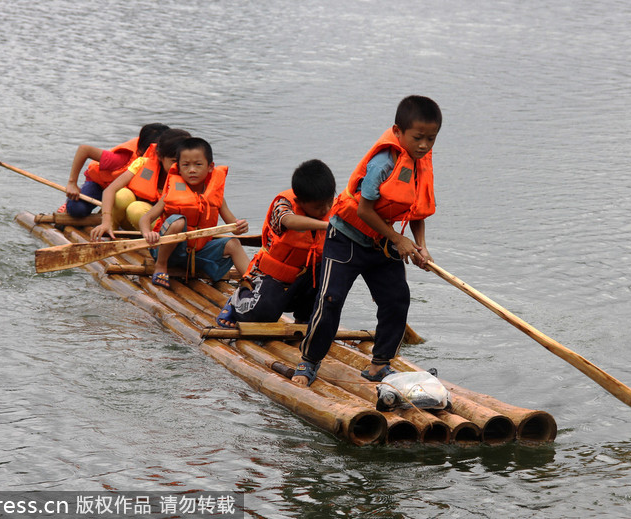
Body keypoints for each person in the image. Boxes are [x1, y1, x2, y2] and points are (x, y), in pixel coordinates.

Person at [292, 95, 442, 386]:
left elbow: (416, 210)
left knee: (396, 299)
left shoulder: (420, 164)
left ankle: (379, 365)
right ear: (398, 132)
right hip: (346, 239)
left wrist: (420, 246)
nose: (424, 145)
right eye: (418, 137)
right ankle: (308, 362)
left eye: (431, 139)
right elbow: (364, 209)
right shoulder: (383, 162)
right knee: (330, 299)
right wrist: (399, 240)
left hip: (382, 244)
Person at [215, 159, 336, 328]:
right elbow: (289, 221)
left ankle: (304, 318)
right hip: (273, 277)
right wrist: (327, 225)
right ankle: (237, 301)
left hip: (306, 279)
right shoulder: (283, 204)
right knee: (262, 315)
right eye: (318, 207)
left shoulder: (336, 207)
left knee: (331, 279)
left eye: (329, 202)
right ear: (299, 201)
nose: (326, 209)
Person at [138, 137, 249, 289]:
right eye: (186, 165)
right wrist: (147, 233)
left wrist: (241, 226)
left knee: (233, 243)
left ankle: (253, 282)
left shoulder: (216, 197)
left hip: (198, 255)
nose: (192, 170)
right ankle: (160, 266)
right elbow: (146, 218)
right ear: (178, 167)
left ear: (210, 167)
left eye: (198, 165)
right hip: (170, 254)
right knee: (178, 222)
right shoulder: (171, 194)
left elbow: (234, 227)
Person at [89, 129, 191, 241]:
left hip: (162, 230)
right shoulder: (143, 163)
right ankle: (109, 233)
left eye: (184, 162)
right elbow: (109, 190)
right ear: (159, 155)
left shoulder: (190, 175)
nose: (179, 166)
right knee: (122, 195)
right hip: (132, 223)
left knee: (136, 209)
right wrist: (106, 222)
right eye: (174, 161)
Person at [61, 123, 170, 217]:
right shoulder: (121, 160)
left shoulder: (169, 160)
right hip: (101, 186)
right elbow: (84, 149)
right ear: (142, 151)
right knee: (77, 209)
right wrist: (72, 183)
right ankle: (68, 205)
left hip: (124, 191)